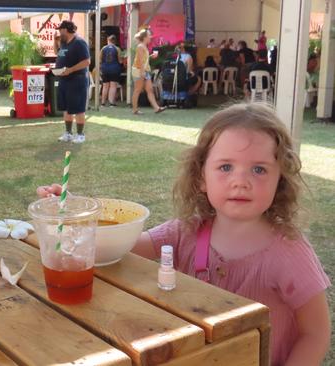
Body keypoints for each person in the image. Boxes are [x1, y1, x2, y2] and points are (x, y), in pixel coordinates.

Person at [37, 103, 331, 366]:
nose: (240, 182)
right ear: (201, 177)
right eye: (226, 167)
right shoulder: (187, 231)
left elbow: (315, 332)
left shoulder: (288, 251)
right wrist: (75, 212)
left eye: (259, 169)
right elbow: (122, 247)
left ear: (280, 180)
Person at [54, 20, 91, 144]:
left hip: (77, 80)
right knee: (66, 108)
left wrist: (70, 70)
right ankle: (68, 133)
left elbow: (86, 62)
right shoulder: (64, 43)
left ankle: (80, 135)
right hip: (64, 80)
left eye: (60, 29)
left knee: (78, 109)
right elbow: (58, 54)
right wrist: (55, 42)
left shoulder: (79, 43)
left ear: (66, 29)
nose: (59, 32)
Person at [130, 29, 165, 115]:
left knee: (150, 90)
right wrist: (142, 73)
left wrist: (150, 56)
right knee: (137, 90)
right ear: (145, 37)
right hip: (139, 71)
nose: (151, 37)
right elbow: (141, 61)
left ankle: (156, 108)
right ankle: (135, 110)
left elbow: (143, 59)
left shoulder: (143, 46)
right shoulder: (141, 46)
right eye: (149, 35)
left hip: (144, 71)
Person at [99, 35, 122, 107]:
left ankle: (103, 103)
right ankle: (111, 103)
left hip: (105, 69)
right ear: (115, 41)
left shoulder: (103, 48)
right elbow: (120, 60)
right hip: (114, 69)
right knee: (113, 86)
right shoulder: (117, 49)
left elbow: (100, 60)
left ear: (108, 40)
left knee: (105, 85)